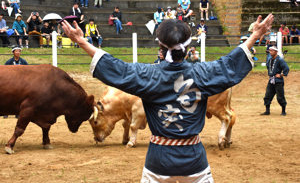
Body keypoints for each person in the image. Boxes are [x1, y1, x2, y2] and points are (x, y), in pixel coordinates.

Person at [61, 12, 274, 183]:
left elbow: (118, 69)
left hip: (158, 161)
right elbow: (228, 64)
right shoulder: (204, 73)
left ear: (160, 46)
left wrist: (81, 41)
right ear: (188, 47)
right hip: (194, 161)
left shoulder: (148, 75)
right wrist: (255, 36)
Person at [261, 46, 289, 116]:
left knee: (280, 96)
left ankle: (283, 111)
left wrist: (281, 75)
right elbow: (268, 67)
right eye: (269, 51)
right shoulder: (270, 60)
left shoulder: (280, 60)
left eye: (272, 51)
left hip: (278, 81)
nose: (270, 52)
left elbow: (286, 68)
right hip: (271, 80)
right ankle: (267, 111)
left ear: (276, 51)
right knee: (267, 95)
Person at [3, 46, 28, 119]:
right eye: (16, 51)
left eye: (19, 51)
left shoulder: (23, 61)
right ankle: (5, 112)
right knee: (7, 97)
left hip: (20, 83)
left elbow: (28, 72)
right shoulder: (9, 62)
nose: (18, 52)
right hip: (10, 83)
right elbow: (4, 72)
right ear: (13, 52)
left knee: (19, 98)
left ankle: (17, 113)